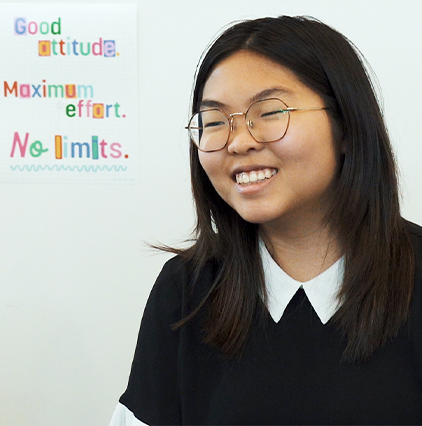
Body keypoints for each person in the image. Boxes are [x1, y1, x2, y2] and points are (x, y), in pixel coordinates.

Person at [110, 16, 422, 426]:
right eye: (216, 121)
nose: (239, 141)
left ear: (346, 126)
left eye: (270, 112)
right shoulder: (186, 290)